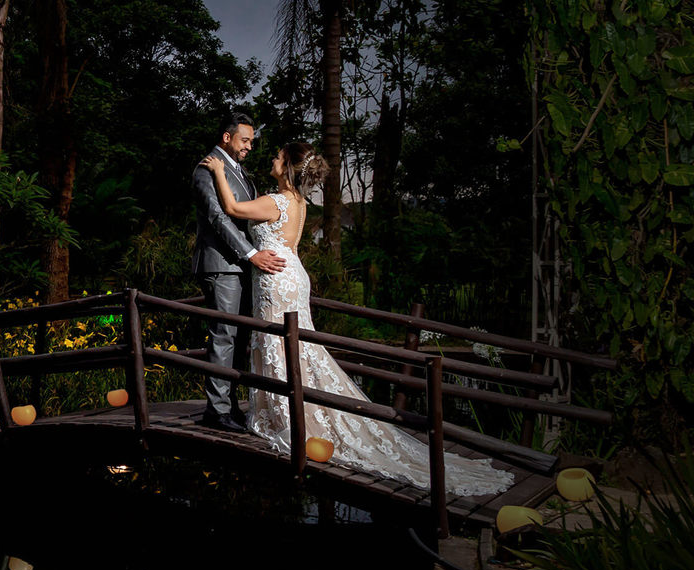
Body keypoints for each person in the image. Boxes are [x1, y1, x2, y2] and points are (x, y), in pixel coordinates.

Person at [200, 142, 513, 496]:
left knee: (280, 344)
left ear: (286, 167)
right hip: (293, 275)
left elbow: (231, 207)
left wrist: (218, 172)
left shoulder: (276, 201)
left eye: (277, 156)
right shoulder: (299, 204)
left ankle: (289, 418)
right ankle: (294, 410)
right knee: (298, 347)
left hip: (276, 280)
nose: (271, 159)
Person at [192, 113, 287, 433]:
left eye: (251, 141)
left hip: (243, 267)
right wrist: (252, 254)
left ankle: (229, 405)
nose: (249, 146)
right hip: (221, 266)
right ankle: (216, 411)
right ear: (226, 138)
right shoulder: (206, 169)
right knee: (224, 335)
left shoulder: (241, 173)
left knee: (241, 337)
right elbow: (218, 218)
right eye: (244, 140)